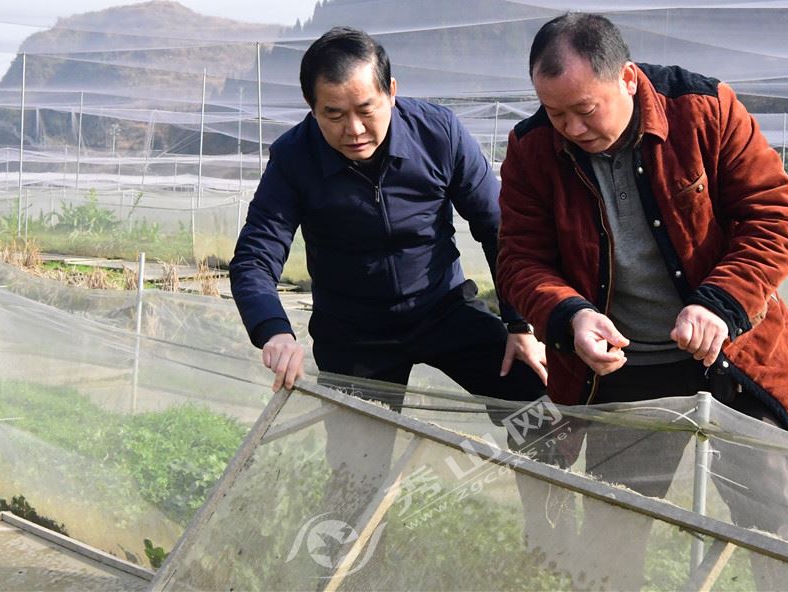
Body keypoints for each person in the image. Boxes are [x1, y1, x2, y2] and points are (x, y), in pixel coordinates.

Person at [497, 13, 788, 590]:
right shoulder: (531, 149)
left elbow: (775, 219)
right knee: (613, 527)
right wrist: (571, 316)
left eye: (584, 109)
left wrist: (719, 302)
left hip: (733, 357)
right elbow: (521, 260)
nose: (570, 127)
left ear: (626, 78)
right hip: (625, 369)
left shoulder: (704, 110)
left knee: (776, 522)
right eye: (555, 112)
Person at [230, 27, 551, 522]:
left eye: (366, 109)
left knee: (536, 404)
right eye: (334, 115)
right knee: (358, 470)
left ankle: (548, 538)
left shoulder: (438, 133)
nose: (354, 129)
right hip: (353, 332)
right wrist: (274, 331)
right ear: (311, 109)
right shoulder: (294, 158)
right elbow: (255, 256)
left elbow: (500, 229)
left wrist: (519, 323)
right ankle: (348, 553)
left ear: (392, 92)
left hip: (442, 307)